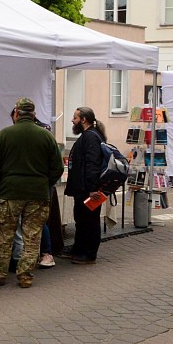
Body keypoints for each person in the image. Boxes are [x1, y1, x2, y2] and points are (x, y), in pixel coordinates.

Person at [0, 98, 64, 288]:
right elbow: (58, 168)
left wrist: (2, 185)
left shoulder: (4, 135)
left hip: (9, 192)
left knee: (4, 236)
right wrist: (45, 182)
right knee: (32, 237)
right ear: (34, 114)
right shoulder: (46, 136)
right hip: (38, 194)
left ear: (16, 113)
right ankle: (25, 276)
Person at [64, 106, 107, 265]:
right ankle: (79, 249)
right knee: (82, 220)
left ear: (83, 120)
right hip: (83, 188)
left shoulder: (91, 137)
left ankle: (88, 254)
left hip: (88, 189)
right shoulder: (90, 136)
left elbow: (92, 164)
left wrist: (92, 188)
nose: (72, 121)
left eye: (75, 118)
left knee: (89, 221)